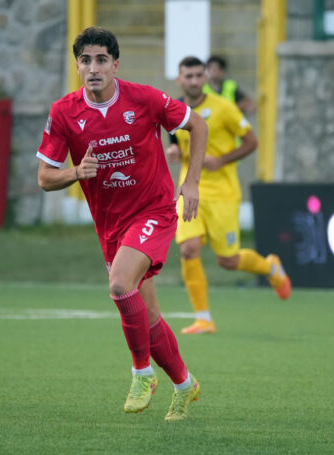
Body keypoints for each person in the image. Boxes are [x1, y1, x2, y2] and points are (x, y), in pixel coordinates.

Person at [36, 27, 209, 420]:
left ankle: (142, 373)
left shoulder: (144, 99)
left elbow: (197, 125)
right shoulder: (64, 112)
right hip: (111, 226)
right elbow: (45, 178)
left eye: (101, 60)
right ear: (77, 66)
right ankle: (185, 385)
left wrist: (191, 182)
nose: (93, 68)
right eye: (85, 61)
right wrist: (76, 172)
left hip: (154, 211)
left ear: (115, 64)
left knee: (118, 285)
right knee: (148, 318)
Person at [166, 56, 291, 335]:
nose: (194, 81)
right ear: (179, 79)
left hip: (223, 193)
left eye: (199, 75)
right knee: (188, 249)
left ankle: (270, 267)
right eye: (189, 76)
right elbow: (175, 141)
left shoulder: (224, 107)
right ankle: (203, 319)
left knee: (228, 260)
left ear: (205, 78)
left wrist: (221, 160)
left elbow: (252, 142)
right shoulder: (175, 110)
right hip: (191, 189)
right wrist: (174, 151)